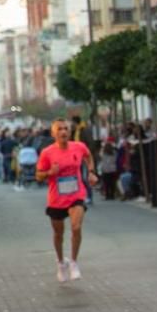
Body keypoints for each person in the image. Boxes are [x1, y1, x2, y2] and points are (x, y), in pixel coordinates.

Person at [36, 118, 99, 282]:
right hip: (56, 198)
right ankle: (60, 263)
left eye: (66, 129)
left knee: (76, 227)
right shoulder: (47, 153)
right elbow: (38, 175)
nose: (63, 132)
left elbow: (88, 156)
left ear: (70, 132)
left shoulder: (79, 147)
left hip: (75, 195)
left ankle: (73, 262)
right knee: (59, 234)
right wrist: (50, 172)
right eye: (59, 129)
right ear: (53, 133)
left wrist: (91, 172)